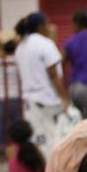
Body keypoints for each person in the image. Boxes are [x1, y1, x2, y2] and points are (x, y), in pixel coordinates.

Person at [14, 12, 71, 159]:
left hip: (29, 102)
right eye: (47, 24)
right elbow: (53, 74)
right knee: (54, 140)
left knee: (36, 141)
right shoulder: (45, 44)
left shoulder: (21, 46)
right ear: (40, 26)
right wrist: (64, 97)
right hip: (47, 100)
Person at [0, 39, 22, 148]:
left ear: (4, 50)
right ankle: (18, 146)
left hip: (2, 98)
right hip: (17, 97)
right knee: (17, 124)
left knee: (1, 124)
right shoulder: (19, 61)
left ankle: (2, 147)